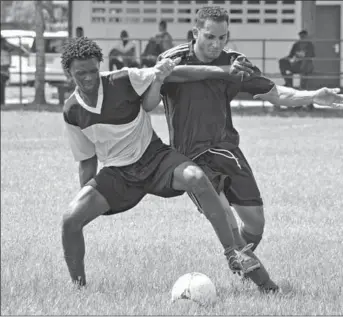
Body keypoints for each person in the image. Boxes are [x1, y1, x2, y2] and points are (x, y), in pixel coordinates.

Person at [157, 6, 343, 292]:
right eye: (209, 36)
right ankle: (265, 285)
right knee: (224, 216)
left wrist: (312, 95)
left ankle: (240, 256)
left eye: (222, 38)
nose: (216, 44)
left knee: (256, 223)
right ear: (195, 32)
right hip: (190, 158)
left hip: (227, 151)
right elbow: (153, 81)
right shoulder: (172, 59)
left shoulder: (236, 63)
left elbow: (274, 93)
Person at [60, 36, 263, 287]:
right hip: (118, 174)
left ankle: (235, 254)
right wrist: (88, 198)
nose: (89, 77)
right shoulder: (72, 111)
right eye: (81, 73)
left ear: (100, 65)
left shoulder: (123, 79)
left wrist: (225, 71)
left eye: (93, 70)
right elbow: (87, 160)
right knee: (70, 220)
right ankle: (79, 289)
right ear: (68, 71)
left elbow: (178, 74)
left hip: (155, 158)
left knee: (197, 178)